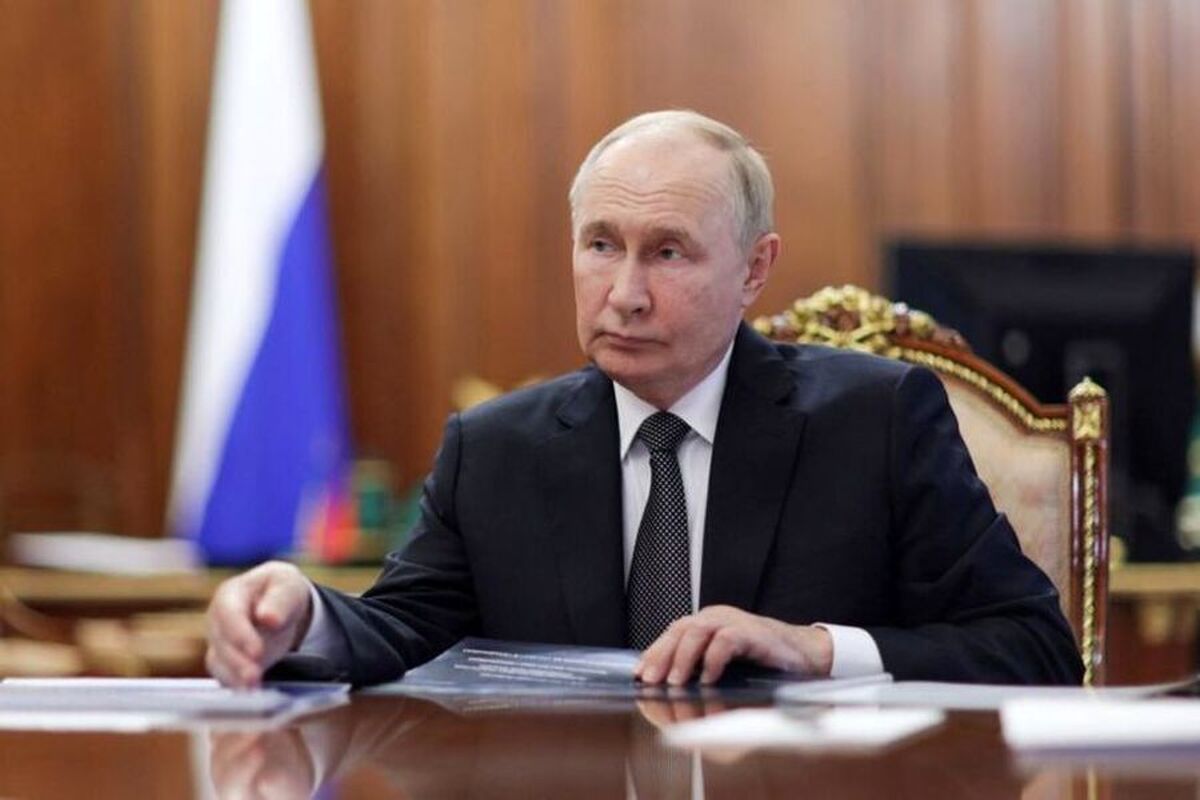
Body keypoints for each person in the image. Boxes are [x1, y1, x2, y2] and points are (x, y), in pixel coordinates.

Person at [205, 110, 1083, 689]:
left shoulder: (877, 421)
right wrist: (301, 614)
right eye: (600, 245)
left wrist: (816, 649)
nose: (623, 294)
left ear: (755, 270)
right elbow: (404, 626)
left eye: (667, 253)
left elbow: (1035, 647)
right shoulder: (496, 448)